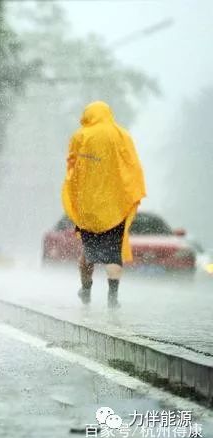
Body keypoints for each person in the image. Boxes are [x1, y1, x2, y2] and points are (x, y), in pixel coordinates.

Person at [62, 101, 146, 308]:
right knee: (113, 254)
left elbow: (72, 170)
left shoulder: (81, 136)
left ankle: (86, 290)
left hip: (88, 208)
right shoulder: (122, 136)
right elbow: (132, 167)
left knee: (88, 251)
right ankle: (113, 298)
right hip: (115, 208)